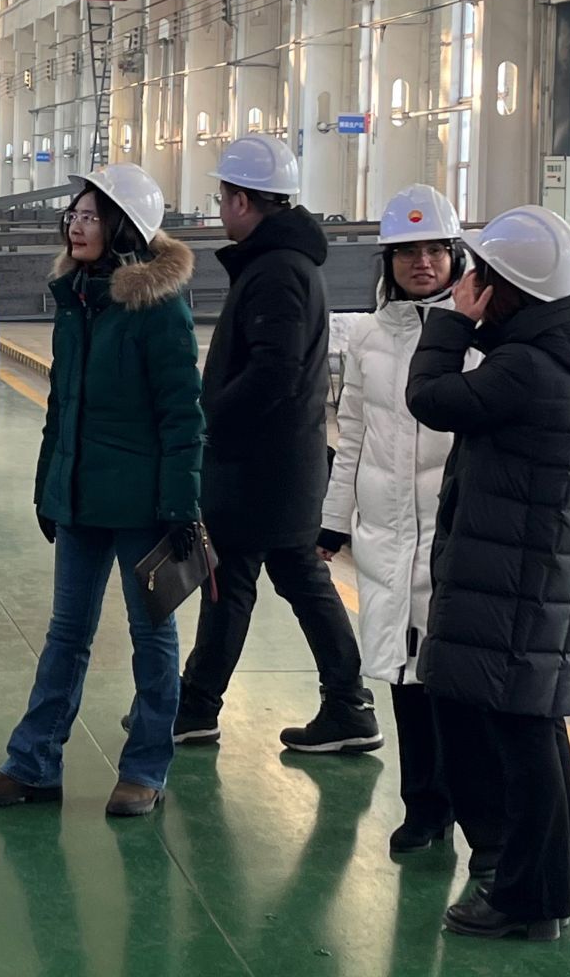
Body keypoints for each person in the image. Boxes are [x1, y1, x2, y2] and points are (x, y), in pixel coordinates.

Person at [406, 205, 570, 942]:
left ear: (509, 288)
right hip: (534, 575)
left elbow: (430, 399)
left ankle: (528, 898)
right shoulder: (563, 351)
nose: (467, 284)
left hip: (520, 581)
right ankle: (532, 888)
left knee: (526, 741)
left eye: (479, 276)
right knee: (526, 734)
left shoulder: (527, 368)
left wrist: (450, 326)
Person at [0, 164, 203, 818]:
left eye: (92, 215)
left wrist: (181, 503)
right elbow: (61, 405)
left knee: (152, 637)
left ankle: (145, 769)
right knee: (66, 633)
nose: (76, 224)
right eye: (75, 213)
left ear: (125, 227)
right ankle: (33, 764)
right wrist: (48, 486)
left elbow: (183, 414)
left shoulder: (158, 308)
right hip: (79, 497)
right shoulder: (77, 301)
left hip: (144, 505)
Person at [179, 136, 378, 754]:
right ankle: (345, 704)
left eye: (222, 198)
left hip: (260, 468)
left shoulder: (276, 271)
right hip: (277, 465)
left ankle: (200, 706)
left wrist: (209, 419)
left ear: (242, 200)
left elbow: (274, 372)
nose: (220, 209)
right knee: (279, 579)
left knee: (235, 581)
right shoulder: (281, 264)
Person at [318, 184, 467, 855]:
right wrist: (333, 521)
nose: (422, 263)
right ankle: (423, 807)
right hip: (387, 535)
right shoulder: (370, 337)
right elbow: (351, 434)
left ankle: (466, 808)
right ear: (389, 262)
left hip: (451, 531)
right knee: (404, 673)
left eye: (435, 249)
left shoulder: (475, 337)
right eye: (407, 252)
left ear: (455, 257)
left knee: (451, 677)